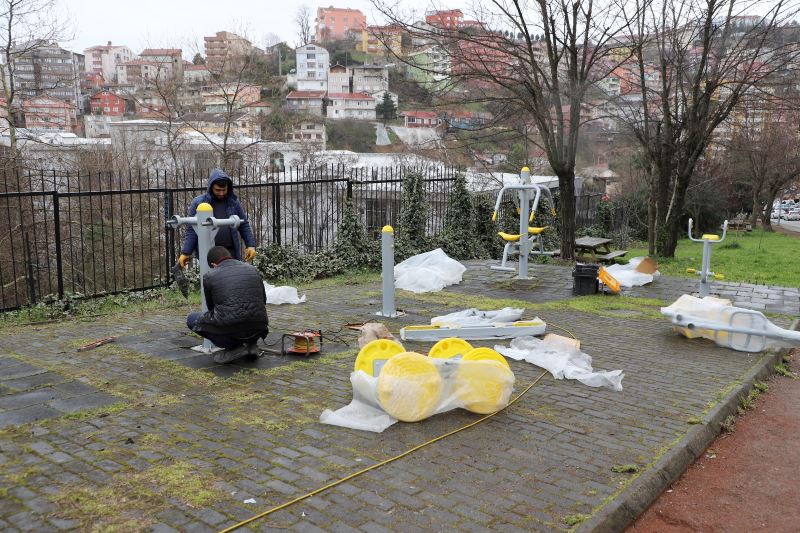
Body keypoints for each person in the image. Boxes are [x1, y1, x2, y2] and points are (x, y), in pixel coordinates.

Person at [187, 246, 268, 364]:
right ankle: (251, 346)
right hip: (258, 330)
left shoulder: (210, 276)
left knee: (191, 319)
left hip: (231, 333)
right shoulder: (252, 269)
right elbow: (263, 301)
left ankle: (234, 349)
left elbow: (212, 309)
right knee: (248, 317)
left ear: (214, 264)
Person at [178, 169, 256, 268]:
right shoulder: (198, 203)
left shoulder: (233, 202)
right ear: (211, 188)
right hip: (210, 254)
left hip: (230, 253)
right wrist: (186, 252)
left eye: (224, 190)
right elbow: (192, 229)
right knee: (213, 281)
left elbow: (244, 224)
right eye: (217, 190)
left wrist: (251, 245)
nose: (221, 193)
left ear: (228, 188)